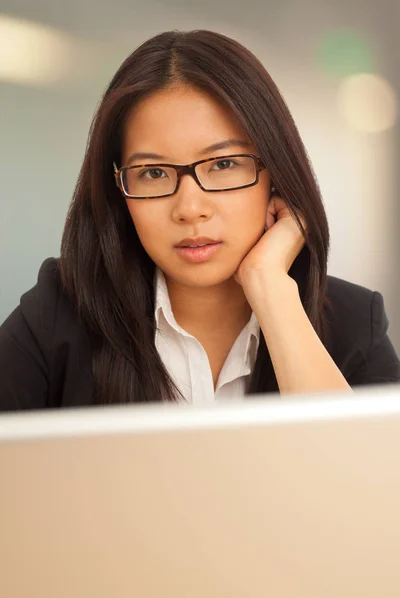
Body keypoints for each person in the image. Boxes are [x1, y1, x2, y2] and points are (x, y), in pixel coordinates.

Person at [1, 29, 399, 412]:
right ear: (118, 189)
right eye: (153, 173)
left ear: (275, 175)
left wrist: (271, 290)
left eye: (224, 164)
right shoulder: (55, 319)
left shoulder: (353, 324)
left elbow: (363, 479)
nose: (190, 208)